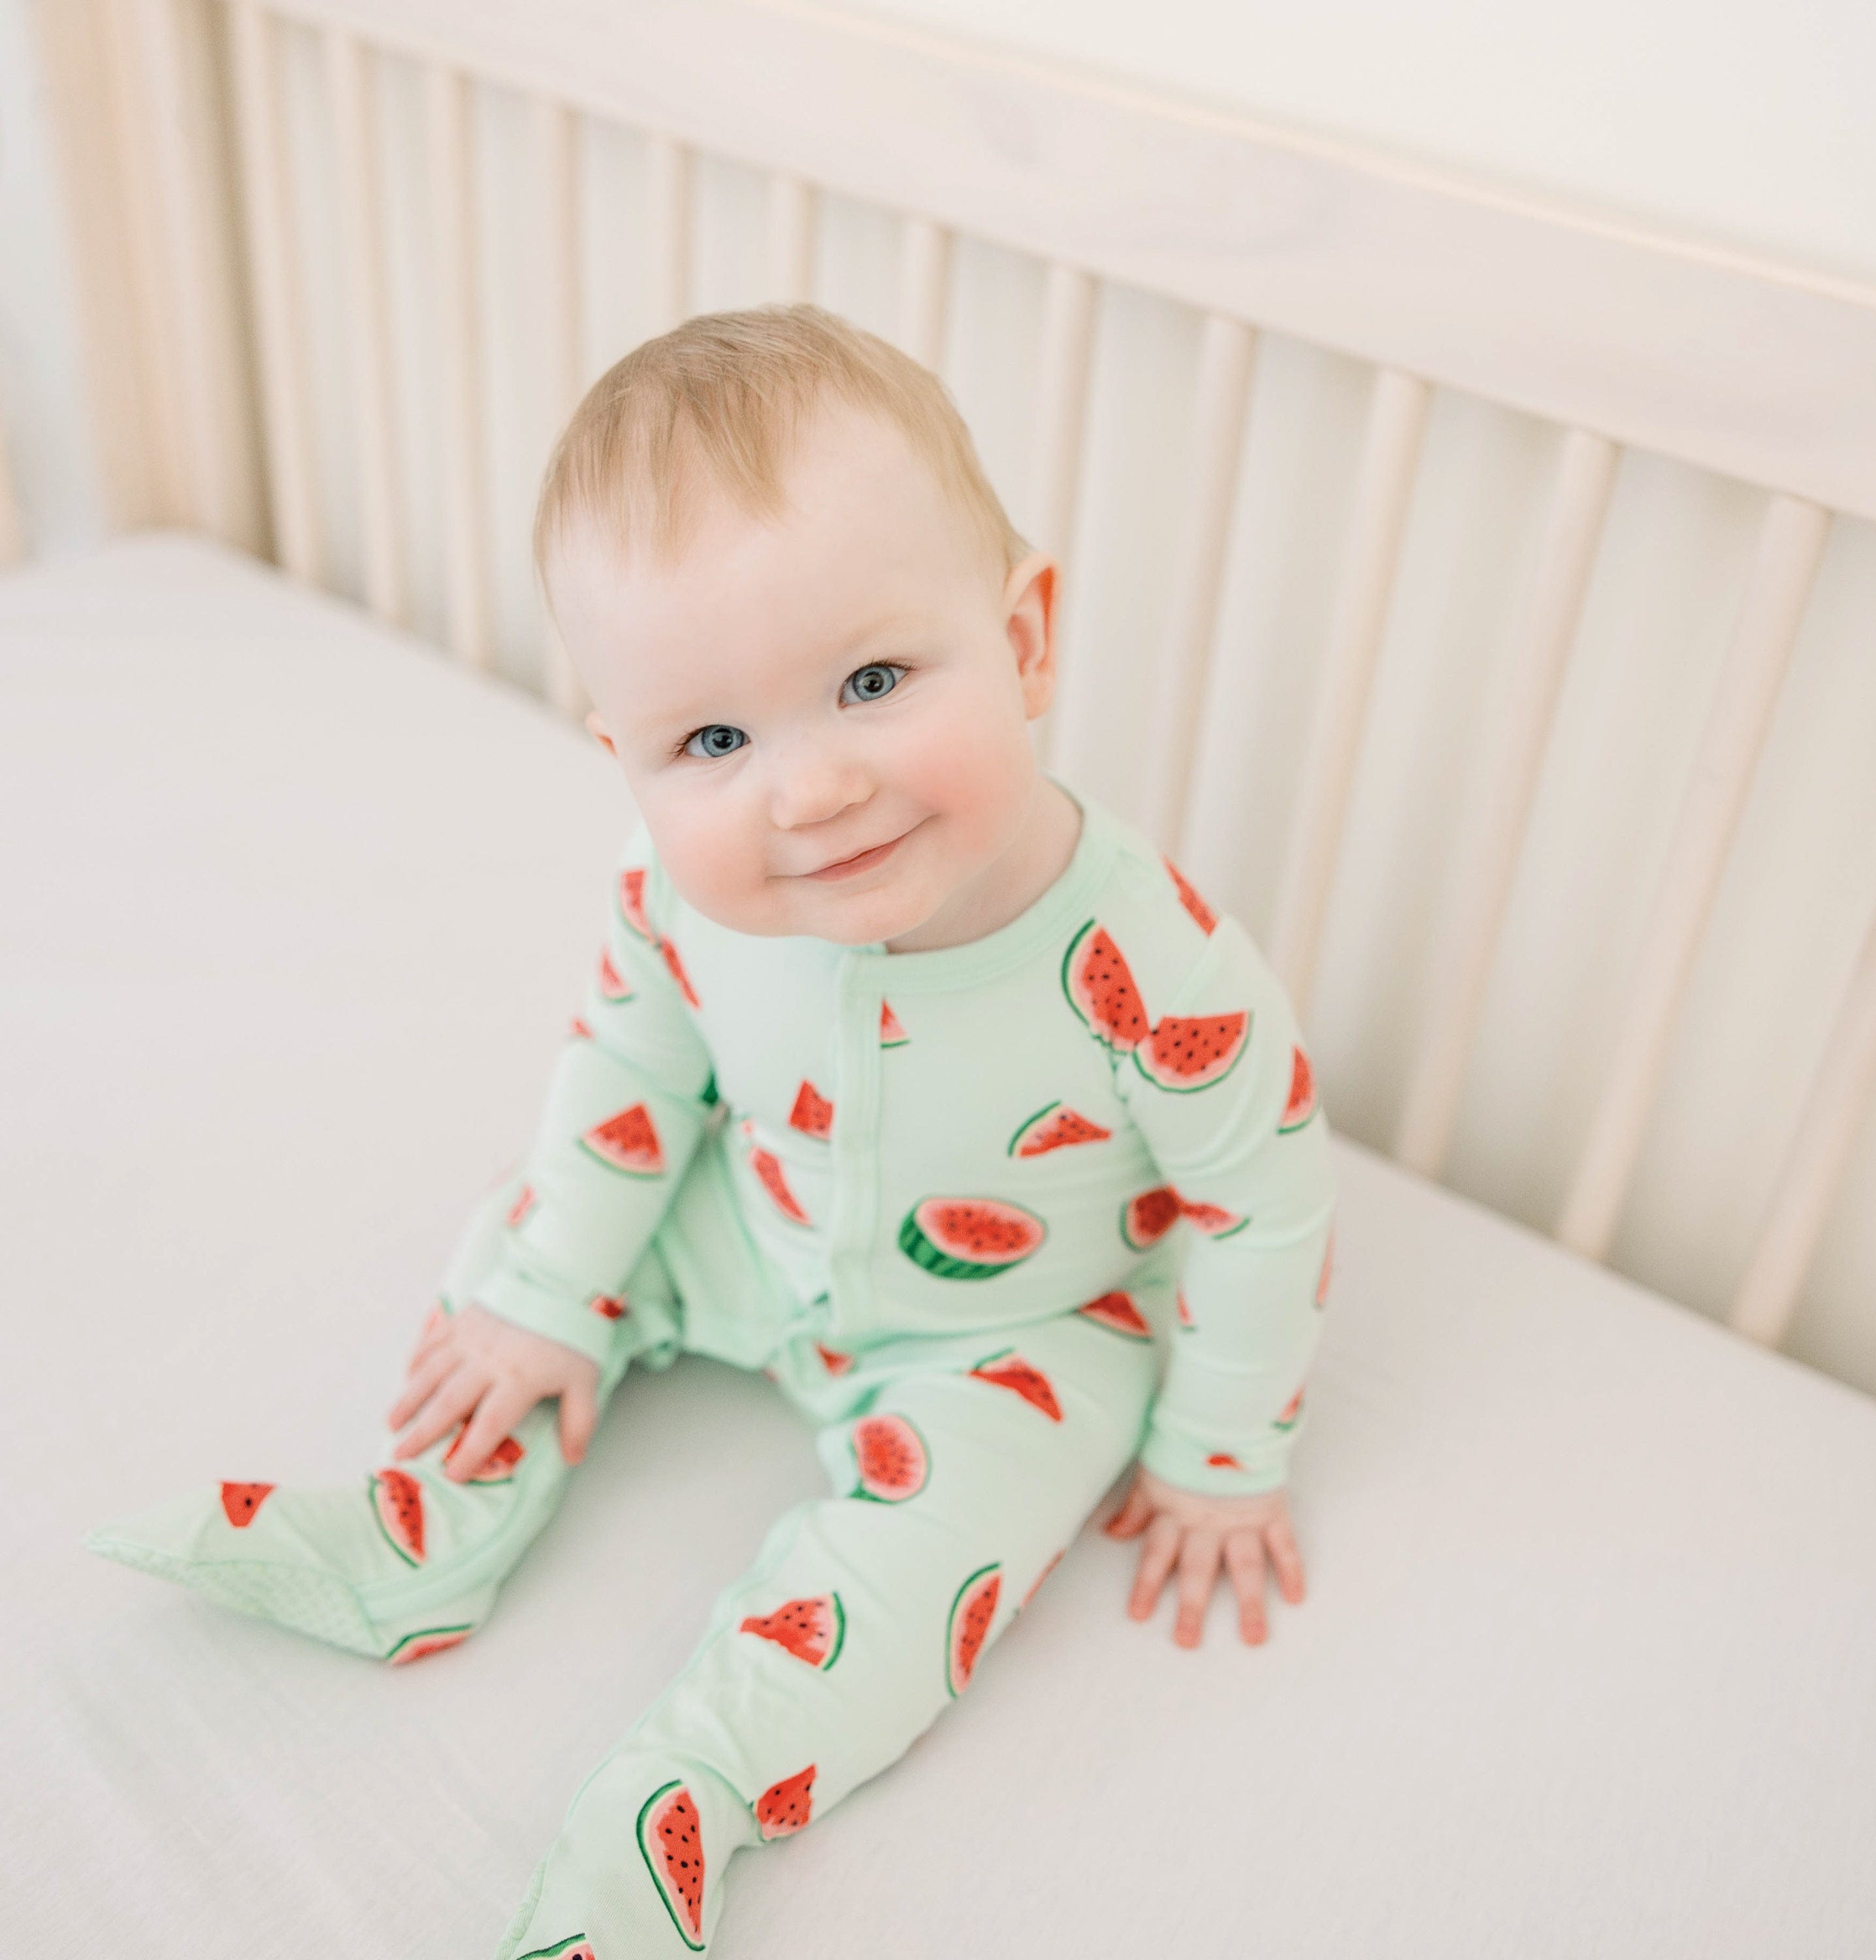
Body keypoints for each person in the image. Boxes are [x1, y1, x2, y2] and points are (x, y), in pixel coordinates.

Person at [87, 302, 1337, 1955]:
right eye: (714, 743)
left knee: (931, 1573)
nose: (806, 792)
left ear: (1027, 636)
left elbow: (1266, 1199)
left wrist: (1220, 1458)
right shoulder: (681, 901)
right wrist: (549, 1293)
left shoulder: (1157, 963)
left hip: (1020, 1325)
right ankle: (425, 1530)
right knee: (532, 1216)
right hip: (750, 1209)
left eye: (874, 681)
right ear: (625, 758)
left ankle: (679, 1803)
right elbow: (631, 1076)